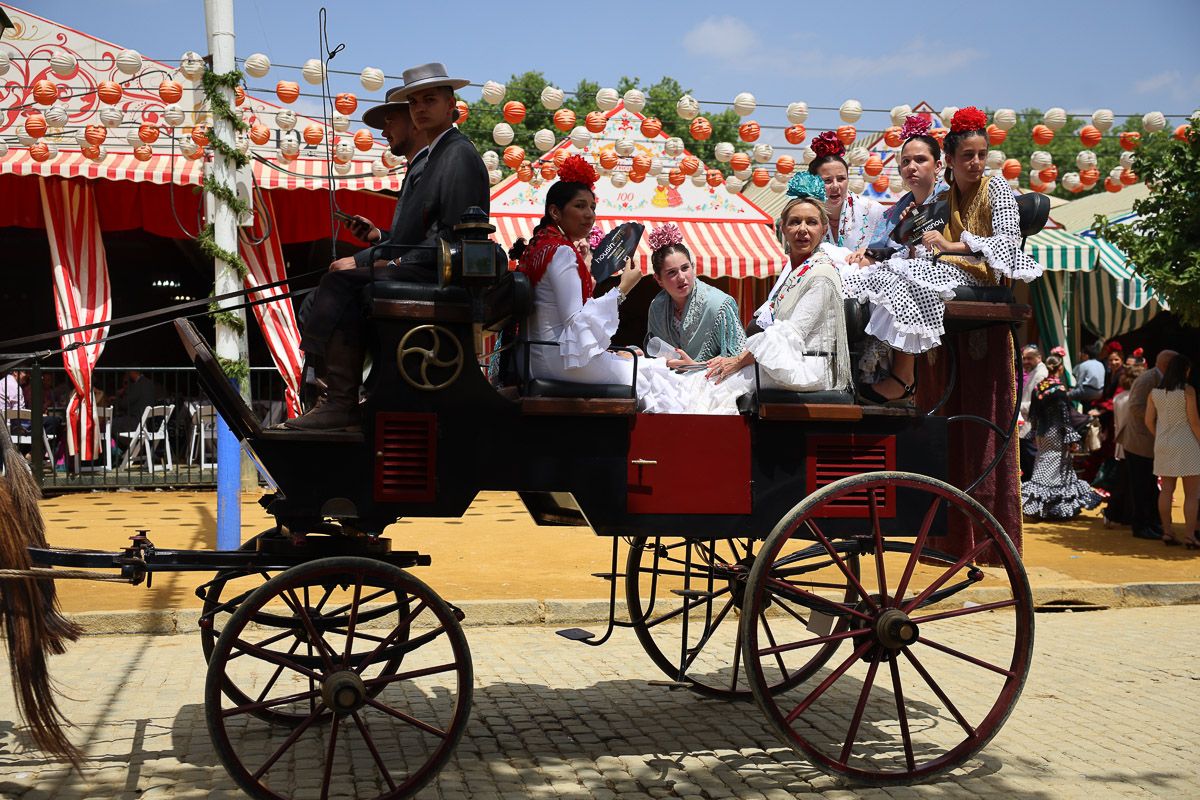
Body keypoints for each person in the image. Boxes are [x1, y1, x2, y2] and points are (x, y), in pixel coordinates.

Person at [289, 62, 488, 432]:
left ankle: (338, 400)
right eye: (414, 103)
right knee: (331, 285)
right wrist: (381, 248)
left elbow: (452, 240)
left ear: (451, 105)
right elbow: (416, 234)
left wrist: (386, 263)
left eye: (430, 100)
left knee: (337, 285)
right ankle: (330, 393)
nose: (420, 109)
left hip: (440, 275)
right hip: (423, 266)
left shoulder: (457, 155)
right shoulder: (435, 156)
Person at [840, 107, 1043, 402]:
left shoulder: (996, 186)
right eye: (967, 156)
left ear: (937, 163)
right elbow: (913, 242)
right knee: (881, 274)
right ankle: (870, 369)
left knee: (904, 275)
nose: (976, 163)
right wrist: (905, 235)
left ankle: (903, 377)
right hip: (948, 271)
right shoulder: (946, 197)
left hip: (981, 277)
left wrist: (951, 246)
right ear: (950, 160)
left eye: (981, 155)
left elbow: (1008, 245)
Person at [511, 155, 683, 412]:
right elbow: (576, 323)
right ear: (555, 212)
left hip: (535, 356)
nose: (589, 215)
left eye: (592, 207)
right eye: (580, 206)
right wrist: (624, 287)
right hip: (561, 360)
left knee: (644, 363)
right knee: (655, 377)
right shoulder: (561, 251)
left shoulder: (538, 247)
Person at [705, 174, 851, 396]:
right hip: (790, 363)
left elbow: (789, 334)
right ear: (783, 228)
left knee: (719, 388)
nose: (803, 229)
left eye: (811, 222)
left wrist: (737, 361)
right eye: (795, 222)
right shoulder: (795, 272)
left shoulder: (822, 274)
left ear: (823, 230)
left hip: (809, 369)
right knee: (709, 379)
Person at [643, 223, 745, 367]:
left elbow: (738, 359)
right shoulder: (657, 307)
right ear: (658, 279)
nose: (681, 277)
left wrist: (694, 366)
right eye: (672, 272)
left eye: (685, 268)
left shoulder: (719, 305)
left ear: (693, 267)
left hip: (713, 384)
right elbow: (655, 355)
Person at [1021, 376, 1102, 520]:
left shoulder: (1039, 394)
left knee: (1043, 463)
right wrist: (1073, 440)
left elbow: (1033, 418)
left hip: (1042, 433)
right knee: (1060, 466)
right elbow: (1065, 420)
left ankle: (1043, 508)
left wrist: (1034, 431)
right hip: (1056, 434)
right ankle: (1059, 508)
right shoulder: (1059, 395)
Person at [1120, 349, 1177, 540]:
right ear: (1167, 365)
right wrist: (1161, 418)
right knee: (1141, 487)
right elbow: (1136, 407)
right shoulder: (1147, 380)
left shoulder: (1161, 377)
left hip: (1150, 442)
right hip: (1140, 442)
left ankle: (1152, 523)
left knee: (1150, 487)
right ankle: (1140, 526)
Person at [1146, 354, 1200, 547]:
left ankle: (1167, 531)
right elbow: (1194, 422)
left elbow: (1148, 421)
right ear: (1184, 371)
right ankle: (1189, 535)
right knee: (1192, 494)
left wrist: (1158, 435)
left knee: (1166, 490)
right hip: (1187, 443)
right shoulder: (1187, 391)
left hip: (1163, 443)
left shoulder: (1155, 393)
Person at [808, 131, 886, 253]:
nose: (835, 186)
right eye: (827, 180)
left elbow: (894, 251)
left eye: (841, 179)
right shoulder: (804, 214)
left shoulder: (874, 211)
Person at [1102, 364, 1144, 528]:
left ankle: (1119, 514)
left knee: (1124, 482)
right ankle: (1117, 513)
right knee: (1128, 483)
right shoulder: (1131, 399)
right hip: (1133, 444)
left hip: (1121, 444)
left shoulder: (1119, 398)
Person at [1019, 344, 1049, 481]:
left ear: (1039, 357)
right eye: (1024, 358)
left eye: (1029, 358)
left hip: (1032, 424)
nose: (1025, 362)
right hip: (1027, 423)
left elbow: (1041, 403)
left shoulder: (1041, 374)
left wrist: (1018, 406)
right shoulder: (1035, 372)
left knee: (1032, 461)